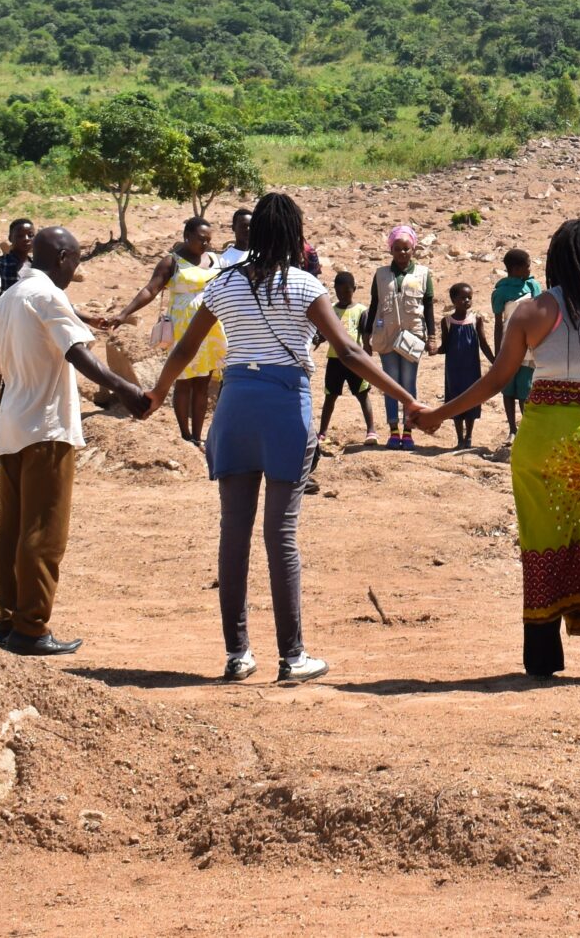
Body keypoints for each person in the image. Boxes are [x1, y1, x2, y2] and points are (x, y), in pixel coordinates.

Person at [144, 194, 410, 682]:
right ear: (293, 234)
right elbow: (348, 350)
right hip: (285, 406)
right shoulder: (304, 284)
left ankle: (237, 654)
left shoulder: (223, 282)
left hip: (235, 406)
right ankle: (292, 657)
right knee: (281, 536)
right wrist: (408, 401)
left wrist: (159, 392)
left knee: (234, 532)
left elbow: (186, 345)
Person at [418, 219, 580, 683]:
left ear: (555, 258)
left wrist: (440, 413)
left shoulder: (529, 311)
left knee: (543, 540)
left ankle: (542, 658)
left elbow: (497, 380)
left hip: (541, 441)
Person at [0, 226, 151, 656]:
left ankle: (8, 620)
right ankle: (31, 627)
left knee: (11, 529)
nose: (74, 270)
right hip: (47, 429)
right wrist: (128, 391)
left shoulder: (7, 299)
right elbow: (78, 353)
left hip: (14, 426)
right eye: (74, 261)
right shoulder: (47, 296)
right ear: (61, 256)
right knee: (43, 532)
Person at [105, 217, 228, 448]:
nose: (206, 244)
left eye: (209, 240)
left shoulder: (214, 259)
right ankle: (184, 435)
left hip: (210, 328)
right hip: (183, 328)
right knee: (182, 380)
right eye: (201, 239)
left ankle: (197, 437)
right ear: (187, 236)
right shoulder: (172, 261)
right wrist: (124, 314)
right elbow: (150, 290)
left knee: (202, 382)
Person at [364, 226, 434, 450]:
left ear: (413, 248)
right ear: (391, 250)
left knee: (409, 383)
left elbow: (429, 307)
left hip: (412, 336)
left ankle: (408, 429)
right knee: (391, 383)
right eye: (397, 249)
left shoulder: (423, 274)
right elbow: (374, 305)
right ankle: (393, 429)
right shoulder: (381, 274)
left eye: (406, 248)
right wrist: (367, 336)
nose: (402, 253)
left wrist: (432, 337)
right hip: (386, 336)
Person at [310, 267, 376, 449]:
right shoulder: (330, 310)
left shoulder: (362, 310)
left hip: (355, 360)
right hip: (335, 359)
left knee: (362, 394)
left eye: (347, 291)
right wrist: (318, 338)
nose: (343, 295)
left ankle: (371, 430)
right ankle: (322, 432)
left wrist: (367, 350)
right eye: (339, 292)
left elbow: (365, 334)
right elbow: (323, 332)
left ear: (354, 289)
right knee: (330, 396)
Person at [490, 246, 543, 436]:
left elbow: (539, 317)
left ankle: (526, 428)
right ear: (515, 268)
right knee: (508, 388)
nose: (530, 270)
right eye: (527, 266)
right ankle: (512, 429)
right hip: (508, 342)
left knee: (526, 387)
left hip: (529, 344)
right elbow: (498, 323)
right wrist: (498, 352)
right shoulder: (501, 292)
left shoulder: (533, 287)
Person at [440, 282, 486, 449]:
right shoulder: (447, 321)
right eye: (463, 298)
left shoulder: (476, 319)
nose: (467, 300)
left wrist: (496, 360)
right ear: (453, 300)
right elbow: (444, 347)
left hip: (472, 369)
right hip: (453, 370)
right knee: (455, 400)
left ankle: (469, 436)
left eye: (469, 298)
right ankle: (459, 438)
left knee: (472, 400)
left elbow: (483, 344)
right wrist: (432, 349)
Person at [0, 218, 34, 291]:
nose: (26, 239)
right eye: (20, 236)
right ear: (10, 238)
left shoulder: (37, 265)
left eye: (30, 235)